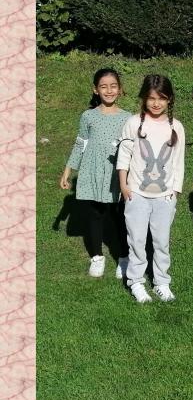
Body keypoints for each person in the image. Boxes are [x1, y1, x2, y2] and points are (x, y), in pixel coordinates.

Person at [116, 75, 186, 303]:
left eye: (161, 99)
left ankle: (162, 282)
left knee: (161, 241)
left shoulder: (176, 127)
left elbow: (178, 162)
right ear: (143, 98)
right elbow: (124, 155)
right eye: (151, 98)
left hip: (165, 197)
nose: (156, 103)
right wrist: (124, 185)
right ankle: (135, 281)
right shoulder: (134, 123)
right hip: (136, 194)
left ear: (169, 99)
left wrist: (174, 192)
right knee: (136, 240)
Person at [60, 68, 132, 279]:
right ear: (95, 90)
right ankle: (97, 257)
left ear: (120, 89)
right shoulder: (88, 116)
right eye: (103, 86)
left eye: (113, 86)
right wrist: (68, 169)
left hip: (117, 175)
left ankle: (124, 257)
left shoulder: (128, 118)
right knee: (95, 215)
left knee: (120, 217)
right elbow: (81, 143)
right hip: (92, 172)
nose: (108, 90)